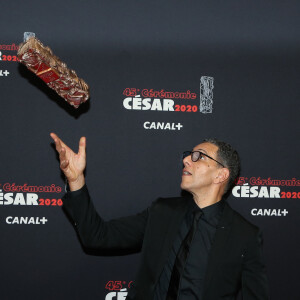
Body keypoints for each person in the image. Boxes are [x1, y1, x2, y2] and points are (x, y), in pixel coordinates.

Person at [50, 133, 269, 300]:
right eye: (187, 156)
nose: (186, 161)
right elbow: (97, 236)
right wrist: (76, 180)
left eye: (197, 157)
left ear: (221, 174)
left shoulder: (245, 236)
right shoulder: (162, 211)